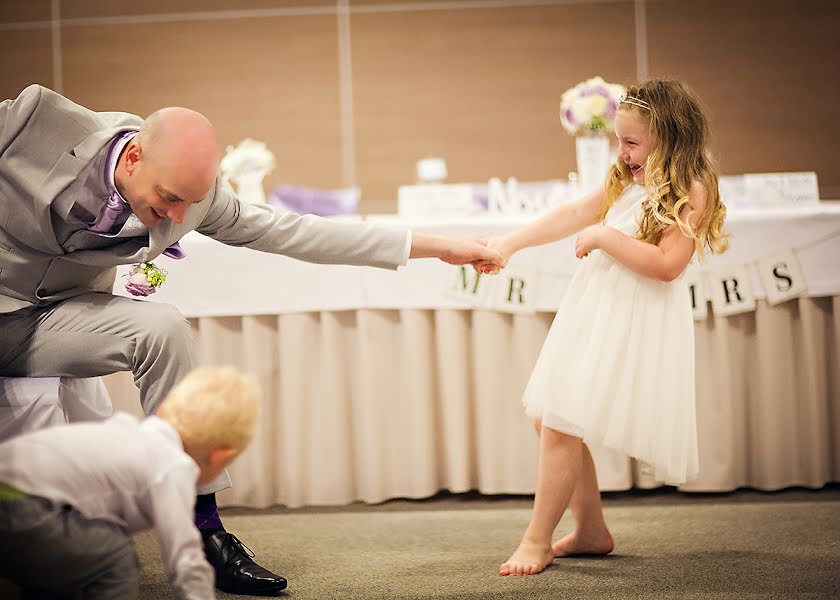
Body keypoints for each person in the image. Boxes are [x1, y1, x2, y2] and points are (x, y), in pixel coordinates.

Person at [0, 84, 502, 595]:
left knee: (163, 327)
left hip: (46, 323)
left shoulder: (193, 201)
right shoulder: (34, 121)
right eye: (169, 198)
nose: (177, 218)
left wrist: (438, 246)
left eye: (188, 204)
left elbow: (298, 232)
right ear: (132, 157)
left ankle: (202, 530)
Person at [474, 79, 728, 576]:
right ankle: (590, 529)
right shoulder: (625, 177)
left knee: (561, 421)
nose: (622, 151)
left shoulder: (691, 189)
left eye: (632, 142)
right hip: (595, 309)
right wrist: (509, 244)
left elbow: (667, 264)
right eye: (619, 139)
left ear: (671, 139)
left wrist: (606, 237)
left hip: (631, 319)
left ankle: (536, 539)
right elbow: (574, 213)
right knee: (549, 417)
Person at [0, 366, 259, 599]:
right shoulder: (173, 465)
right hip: (21, 505)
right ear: (221, 456)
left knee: (79, 555)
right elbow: (185, 560)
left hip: (14, 486)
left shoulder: (129, 431)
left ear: (163, 410)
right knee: (115, 557)